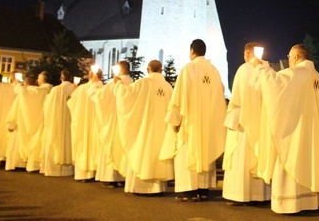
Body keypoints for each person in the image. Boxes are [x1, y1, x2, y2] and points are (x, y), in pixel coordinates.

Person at [256, 44, 319, 214]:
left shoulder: (298, 74)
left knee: (292, 157)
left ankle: (291, 203)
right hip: (312, 131)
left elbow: (275, 85)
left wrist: (262, 68)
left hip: (297, 131)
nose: (289, 60)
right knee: (311, 162)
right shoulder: (316, 76)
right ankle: (311, 201)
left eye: (289, 57)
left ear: (296, 57)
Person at [160, 39, 226, 202]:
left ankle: (188, 191)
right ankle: (204, 190)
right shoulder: (214, 71)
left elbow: (179, 96)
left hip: (190, 123)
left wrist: (175, 120)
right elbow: (221, 92)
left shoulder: (188, 69)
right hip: (208, 124)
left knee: (187, 154)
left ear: (192, 51)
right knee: (206, 152)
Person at [114, 59, 173, 194]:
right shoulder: (168, 87)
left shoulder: (143, 83)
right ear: (161, 70)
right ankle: (158, 187)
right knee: (159, 153)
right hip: (162, 129)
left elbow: (126, 95)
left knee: (142, 150)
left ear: (148, 70)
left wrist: (118, 84)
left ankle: (140, 187)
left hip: (145, 128)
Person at [222, 42, 271, 204]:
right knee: (260, 154)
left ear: (248, 53)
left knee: (241, 157)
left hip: (244, 123)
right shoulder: (268, 69)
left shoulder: (244, 69)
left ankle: (240, 195)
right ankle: (261, 195)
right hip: (262, 123)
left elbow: (236, 97)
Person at [90, 62, 131, 187]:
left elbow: (98, 98)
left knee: (111, 146)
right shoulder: (133, 83)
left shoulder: (112, 84)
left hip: (112, 121)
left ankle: (110, 177)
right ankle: (124, 176)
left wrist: (95, 83)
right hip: (126, 124)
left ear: (120, 69)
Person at [67, 68, 102, 181]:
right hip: (96, 123)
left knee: (83, 145)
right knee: (94, 144)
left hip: (82, 122)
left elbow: (71, 103)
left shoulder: (81, 88)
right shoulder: (101, 88)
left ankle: (83, 174)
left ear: (89, 75)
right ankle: (95, 172)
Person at [41, 70, 75, 177]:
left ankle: (54, 170)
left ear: (61, 77)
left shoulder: (56, 89)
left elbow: (48, 107)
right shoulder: (75, 89)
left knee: (55, 140)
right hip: (71, 122)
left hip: (57, 121)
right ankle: (69, 169)